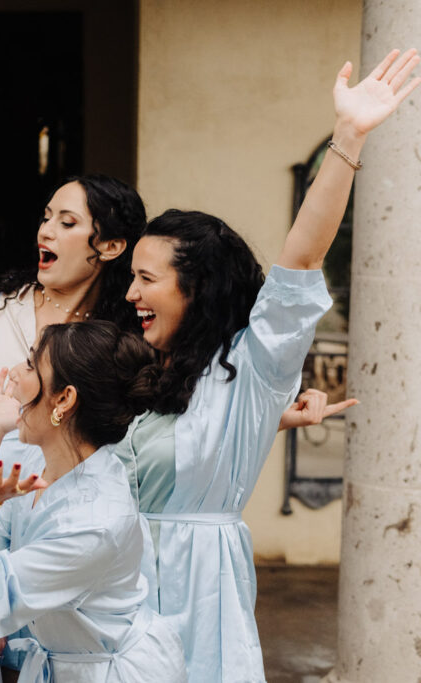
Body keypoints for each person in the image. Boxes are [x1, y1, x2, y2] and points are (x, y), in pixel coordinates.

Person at [115, 49, 419, 681]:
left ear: (193, 287)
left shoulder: (250, 366)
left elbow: (301, 259)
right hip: (116, 588)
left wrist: (348, 135)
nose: (130, 294)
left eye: (145, 279)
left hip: (201, 598)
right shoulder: (132, 368)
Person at [0, 322, 187, 683]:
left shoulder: (94, 523)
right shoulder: (39, 465)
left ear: (64, 399)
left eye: (32, 365)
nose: (16, 374)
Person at [0, 175, 146, 476]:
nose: (45, 231)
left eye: (67, 223)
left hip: (50, 505)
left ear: (111, 246)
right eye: (46, 218)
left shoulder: (118, 338)